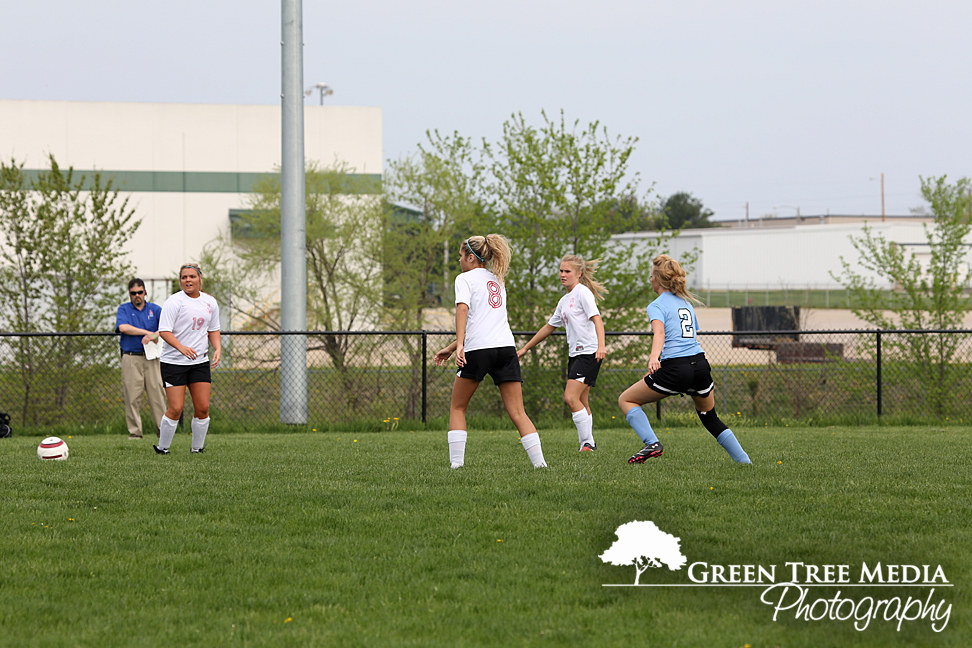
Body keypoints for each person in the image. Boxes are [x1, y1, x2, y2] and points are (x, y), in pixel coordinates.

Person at [618, 254, 751, 464]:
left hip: (677, 369)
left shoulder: (656, 305)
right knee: (710, 417)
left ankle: (652, 443)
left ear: (658, 280)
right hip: (700, 365)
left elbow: (660, 334)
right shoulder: (686, 304)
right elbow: (687, 337)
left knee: (626, 399)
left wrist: (654, 358)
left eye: (651, 276)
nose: (650, 280)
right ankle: (745, 462)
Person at [434, 234, 547, 469]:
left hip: (478, 350)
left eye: (460, 256)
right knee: (518, 411)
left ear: (471, 258)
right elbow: (484, 323)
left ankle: (456, 466)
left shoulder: (464, 279)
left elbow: (463, 311)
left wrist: (461, 346)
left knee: (457, 407)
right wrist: (451, 347)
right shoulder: (497, 280)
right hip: (506, 348)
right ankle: (541, 465)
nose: (459, 261)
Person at [517, 255, 606, 451]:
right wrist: (525, 348)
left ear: (579, 274)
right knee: (582, 400)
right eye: (561, 270)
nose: (563, 274)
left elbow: (597, 319)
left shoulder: (583, 293)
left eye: (567, 271)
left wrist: (601, 346)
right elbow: (549, 327)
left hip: (589, 353)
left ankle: (587, 444)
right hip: (576, 354)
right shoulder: (565, 300)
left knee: (570, 398)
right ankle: (589, 443)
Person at [154, 263, 221, 455]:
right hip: (174, 362)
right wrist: (181, 347)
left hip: (199, 362)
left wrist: (217, 348)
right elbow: (164, 332)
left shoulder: (210, 302)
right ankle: (162, 449)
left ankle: (197, 449)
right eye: (184, 277)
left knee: (203, 407)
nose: (188, 280)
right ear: (180, 281)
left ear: (200, 279)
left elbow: (213, 329)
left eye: (192, 276)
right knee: (175, 409)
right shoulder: (174, 302)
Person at [115, 278, 167, 440]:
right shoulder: (124, 309)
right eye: (133, 293)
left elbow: (167, 327)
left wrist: (154, 335)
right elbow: (123, 328)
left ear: (145, 292)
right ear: (129, 294)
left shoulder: (155, 309)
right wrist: (146, 332)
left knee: (158, 395)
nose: (137, 296)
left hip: (152, 358)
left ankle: (163, 431)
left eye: (140, 292)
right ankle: (135, 433)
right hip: (131, 358)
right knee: (132, 396)